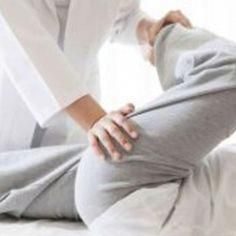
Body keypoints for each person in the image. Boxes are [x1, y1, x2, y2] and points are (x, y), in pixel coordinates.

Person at [0, 1, 191, 220]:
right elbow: (26, 47)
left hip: (72, 140)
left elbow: (124, 16)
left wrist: (148, 30)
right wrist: (96, 120)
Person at [76, 23, 236, 226]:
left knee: (231, 71)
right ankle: (158, 34)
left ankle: (160, 34)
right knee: (29, 174)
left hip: (125, 185)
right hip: (125, 183)